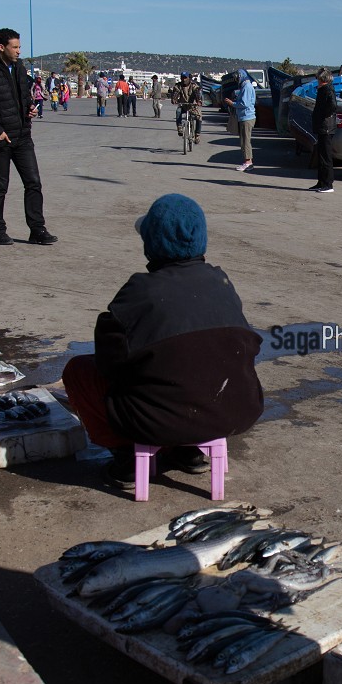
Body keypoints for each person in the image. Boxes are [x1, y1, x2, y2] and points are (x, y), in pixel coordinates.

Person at [61, 194, 263, 487]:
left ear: (150, 243)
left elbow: (108, 365)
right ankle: (189, 452)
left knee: (79, 371)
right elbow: (246, 347)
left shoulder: (138, 292)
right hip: (236, 412)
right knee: (196, 365)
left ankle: (127, 459)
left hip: (157, 421)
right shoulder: (222, 283)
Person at [0, 28, 57, 246]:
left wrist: (29, 108)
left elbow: (23, 96)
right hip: (0, 139)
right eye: (15, 47)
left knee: (33, 183)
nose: (19, 51)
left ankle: (37, 229)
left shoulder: (18, 68)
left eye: (19, 47)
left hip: (23, 137)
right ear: (2, 47)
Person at [309, 68, 336, 194]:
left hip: (326, 127)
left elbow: (332, 106)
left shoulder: (327, 89)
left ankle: (328, 183)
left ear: (322, 79)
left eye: (318, 78)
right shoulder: (323, 89)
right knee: (321, 155)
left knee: (326, 156)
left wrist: (323, 115)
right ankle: (321, 182)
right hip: (322, 126)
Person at [225, 68, 256, 171]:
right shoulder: (246, 86)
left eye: (237, 78)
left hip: (246, 117)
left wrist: (232, 104)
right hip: (245, 117)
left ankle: (248, 162)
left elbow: (244, 103)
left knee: (245, 141)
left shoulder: (247, 87)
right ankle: (248, 161)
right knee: (245, 140)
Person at [172, 71, 201, 143]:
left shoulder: (193, 85)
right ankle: (179, 127)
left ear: (189, 78)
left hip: (192, 106)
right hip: (183, 105)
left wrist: (199, 100)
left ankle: (197, 135)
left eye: (185, 78)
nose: (184, 80)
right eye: (182, 78)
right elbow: (175, 93)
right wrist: (174, 100)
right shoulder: (178, 86)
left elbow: (197, 92)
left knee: (199, 117)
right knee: (178, 111)